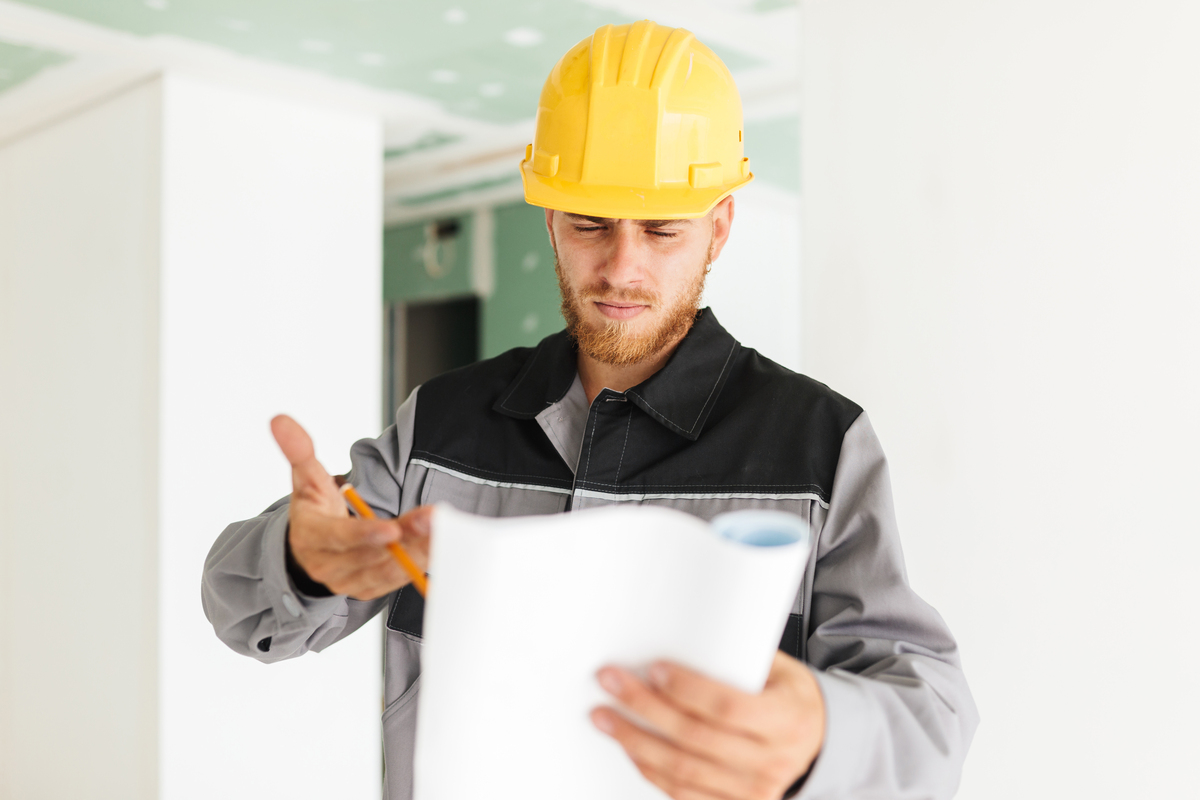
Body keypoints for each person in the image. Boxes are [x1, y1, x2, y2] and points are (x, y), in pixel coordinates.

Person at [202, 20, 978, 800]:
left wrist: (822, 735)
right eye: (589, 224)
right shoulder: (438, 425)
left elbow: (931, 719)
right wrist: (301, 562)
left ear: (719, 229)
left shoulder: (819, 444)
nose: (621, 266)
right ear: (549, 221)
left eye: (662, 230)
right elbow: (238, 610)